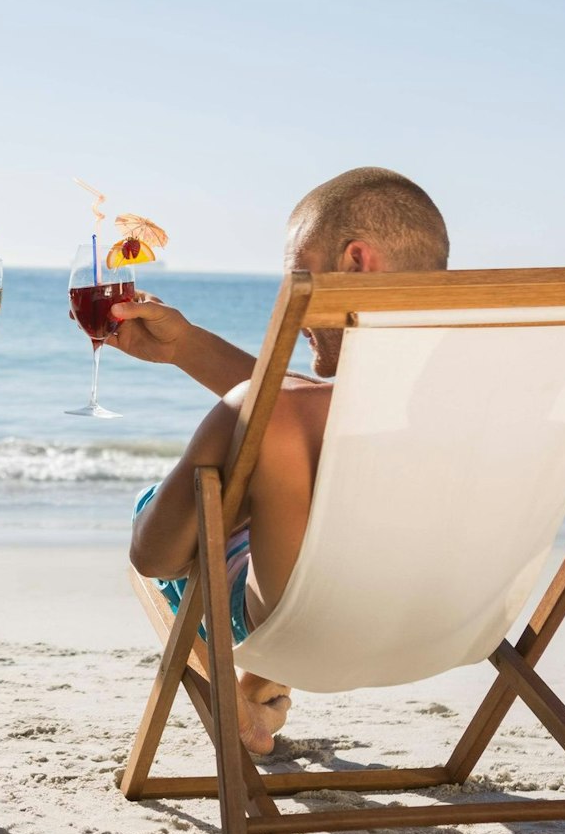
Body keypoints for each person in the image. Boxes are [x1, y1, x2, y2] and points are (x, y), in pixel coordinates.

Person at [112, 167, 451, 754]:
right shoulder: (488, 391)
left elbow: (155, 559)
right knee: (284, 470)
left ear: (355, 262)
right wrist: (186, 346)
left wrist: (238, 446)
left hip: (310, 632)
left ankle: (240, 700)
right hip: (455, 626)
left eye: (297, 270)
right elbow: (299, 405)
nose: (284, 292)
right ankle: (258, 683)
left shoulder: (279, 416)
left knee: (189, 513)